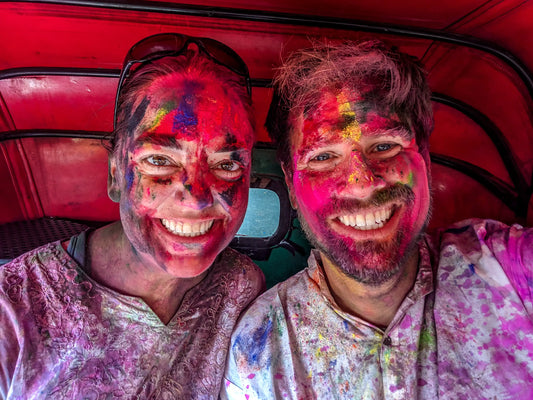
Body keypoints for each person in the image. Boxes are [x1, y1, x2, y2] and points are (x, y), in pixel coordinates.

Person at [221, 40, 533, 399]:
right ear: (291, 186)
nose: (362, 183)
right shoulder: (258, 355)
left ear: (425, 160)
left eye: (384, 146)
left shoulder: (508, 270)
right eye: (323, 157)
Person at [0, 33, 264, 399]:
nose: (196, 199)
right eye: (159, 160)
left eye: (226, 164)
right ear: (113, 176)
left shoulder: (241, 288)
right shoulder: (14, 308)